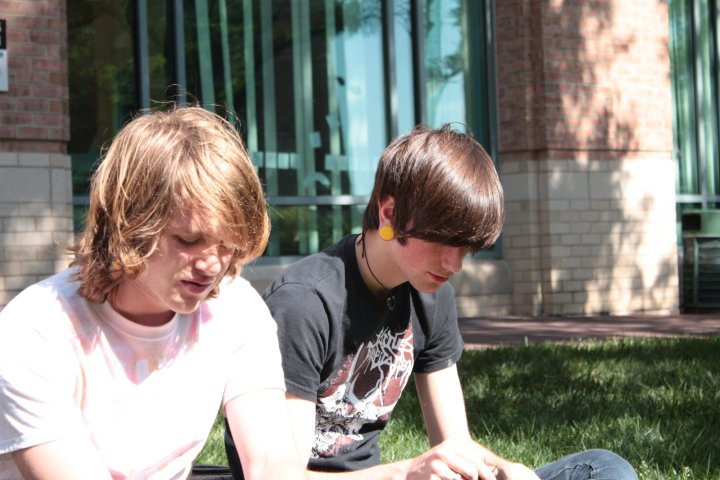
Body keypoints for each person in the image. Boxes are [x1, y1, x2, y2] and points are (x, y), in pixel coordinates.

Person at [225, 125, 638, 480]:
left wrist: (502, 468)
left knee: (604, 468)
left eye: (467, 248)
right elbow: (283, 476)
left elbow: (455, 443)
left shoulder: (432, 297)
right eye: (443, 241)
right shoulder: (304, 303)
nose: (454, 264)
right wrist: (405, 472)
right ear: (389, 213)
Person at [0, 106, 306, 480]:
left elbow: (272, 461)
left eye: (227, 243)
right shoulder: (35, 332)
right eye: (188, 240)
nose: (212, 265)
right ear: (130, 224)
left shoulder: (236, 307)